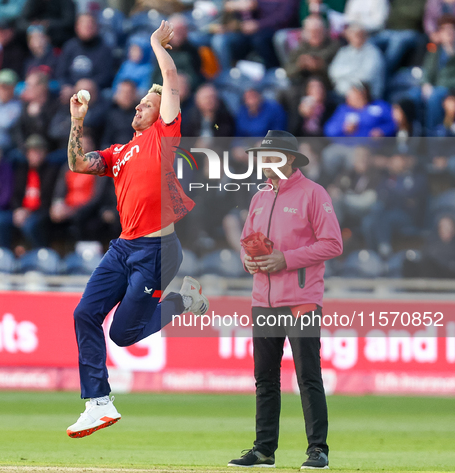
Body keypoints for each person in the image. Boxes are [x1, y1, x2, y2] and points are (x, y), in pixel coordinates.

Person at [65, 21, 209, 438]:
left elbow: (170, 82)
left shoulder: (163, 135)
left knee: (123, 334)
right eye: (139, 104)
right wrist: (77, 120)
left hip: (158, 250)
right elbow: (77, 164)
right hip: (124, 249)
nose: (137, 108)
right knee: (84, 314)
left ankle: (182, 302)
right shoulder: (119, 152)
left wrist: (154, 45)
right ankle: (98, 404)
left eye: (145, 103)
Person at [229, 130, 342, 470]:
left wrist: (286, 259)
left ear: (289, 159)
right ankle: (264, 450)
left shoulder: (313, 193)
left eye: (272, 156)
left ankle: (317, 451)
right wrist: (247, 259)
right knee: (265, 378)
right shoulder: (260, 196)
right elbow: (248, 241)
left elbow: (333, 243)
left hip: (301, 300)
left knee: (308, 376)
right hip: (263, 299)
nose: (264, 162)